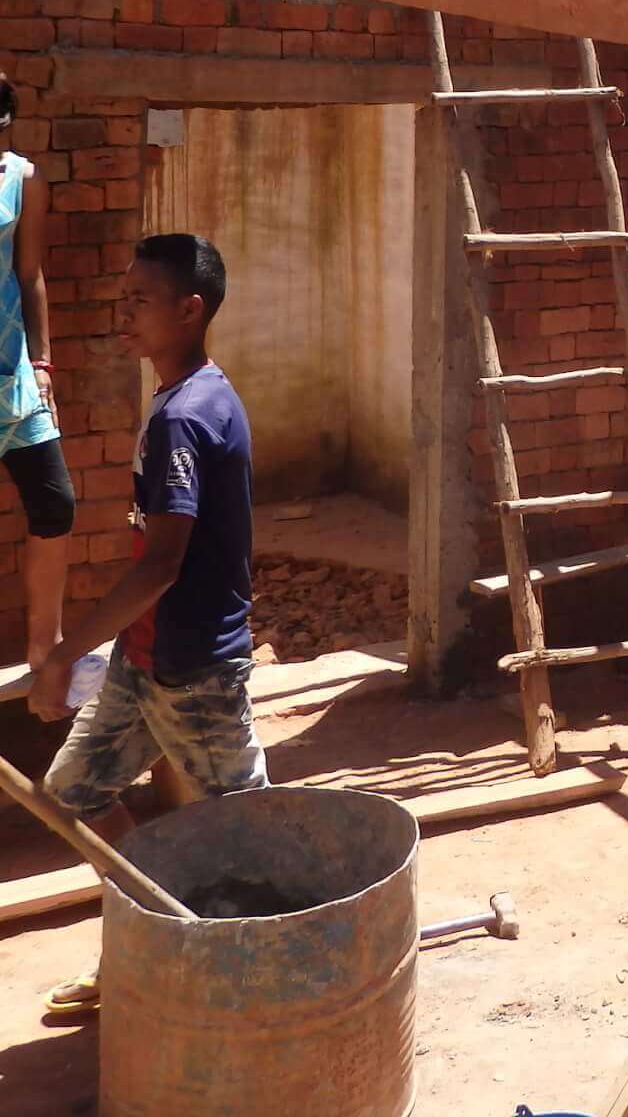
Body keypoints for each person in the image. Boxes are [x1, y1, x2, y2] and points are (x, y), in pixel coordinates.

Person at [30, 233, 266, 1016]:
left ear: (188, 310)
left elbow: (161, 564)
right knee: (75, 790)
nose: (120, 310)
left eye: (139, 298)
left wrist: (65, 651)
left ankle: (270, 996)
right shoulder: (183, 396)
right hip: (146, 661)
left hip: (195, 669)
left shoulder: (187, 417)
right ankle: (154, 934)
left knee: (256, 839)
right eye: (121, 294)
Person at [0, 73, 75, 670]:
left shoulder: (21, 179)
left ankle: (43, 649)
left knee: (54, 503)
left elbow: (30, 275)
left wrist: (43, 360)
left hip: (11, 371)